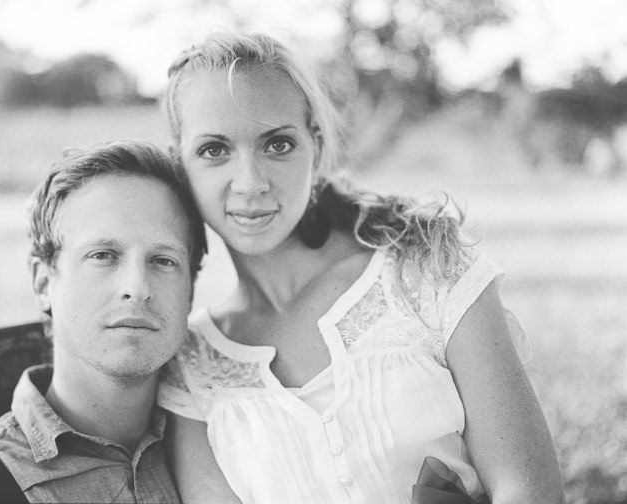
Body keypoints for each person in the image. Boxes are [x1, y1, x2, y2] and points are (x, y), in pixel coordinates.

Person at [155, 32, 566, 503]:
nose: (250, 183)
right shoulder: (191, 364)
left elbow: (529, 490)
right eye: (214, 150)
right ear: (179, 164)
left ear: (315, 144)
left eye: (277, 145)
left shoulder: (424, 267)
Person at [0, 140, 206, 503]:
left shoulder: (232, 435)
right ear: (44, 283)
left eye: (163, 260)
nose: (137, 288)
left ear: (190, 292)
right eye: (103, 255)